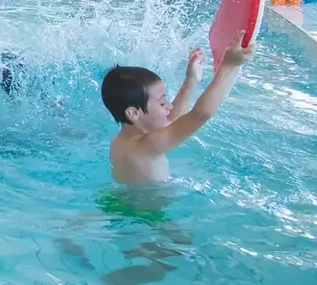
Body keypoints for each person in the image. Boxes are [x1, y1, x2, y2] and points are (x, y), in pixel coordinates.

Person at [103, 39, 254, 186]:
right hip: (147, 211)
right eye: (162, 102)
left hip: (129, 203)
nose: (169, 106)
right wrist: (229, 66)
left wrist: (192, 79)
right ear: (134, 113)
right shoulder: (146, 146)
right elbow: (200, 115)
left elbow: (171, 119)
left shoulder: (123, 141)